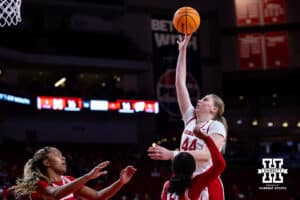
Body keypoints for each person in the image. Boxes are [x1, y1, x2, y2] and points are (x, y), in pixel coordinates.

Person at [148, 34, 227, 199]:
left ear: (214, 109)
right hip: (184, 179)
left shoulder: (216, 126)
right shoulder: (190, 118)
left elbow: (208, 155)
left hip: (205, 181)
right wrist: (182, 51)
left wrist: (172, 154)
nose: (199, 100)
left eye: (205, 100)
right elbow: (179, 83)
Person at [11, 146, 137, 200]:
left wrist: (120, 182)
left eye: (63, 155)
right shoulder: (38, 183)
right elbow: (56, 194)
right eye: (58, 155)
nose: (63, 158)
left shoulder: (69, 181)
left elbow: (99, 196)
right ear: (47, 163)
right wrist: (87, 176)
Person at [161, 124, 226, 199]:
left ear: (173, 168)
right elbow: (220, 165)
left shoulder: (167, 186)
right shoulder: (194, 186)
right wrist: (206, 138)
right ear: (193, 168)